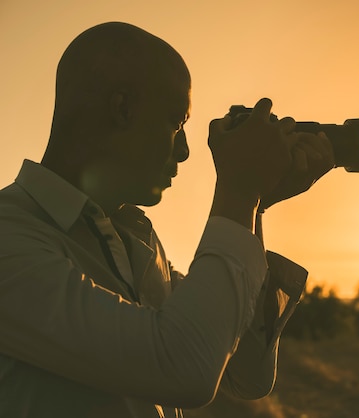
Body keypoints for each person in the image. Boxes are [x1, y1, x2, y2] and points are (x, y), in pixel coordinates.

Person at [0, 22, 334, 418]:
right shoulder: (11, 239)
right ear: (122, 108)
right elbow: (185, 367)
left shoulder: (133, 240)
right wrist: (239, 189)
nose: (186, 151)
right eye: (176, 123)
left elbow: (246, 373)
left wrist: (253, 204)